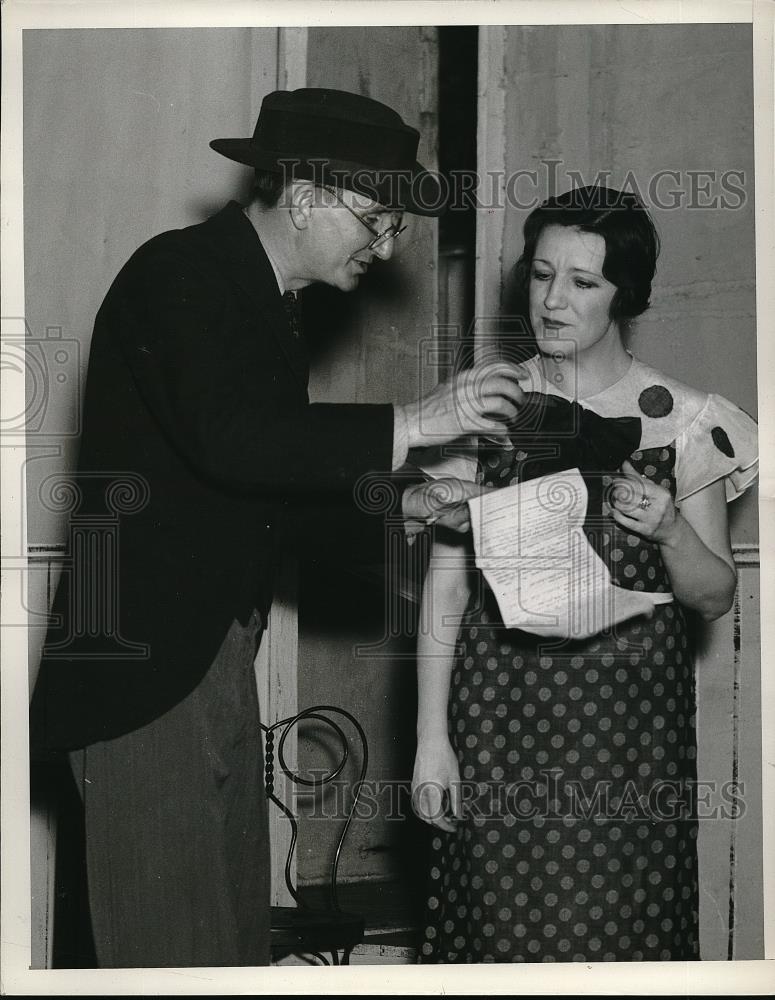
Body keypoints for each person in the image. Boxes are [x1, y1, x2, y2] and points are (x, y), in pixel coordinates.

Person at [29, 87, 527, 968]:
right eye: (375, 216)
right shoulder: (177, 273)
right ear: (303, 197)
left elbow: (263, 490)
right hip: (144, 671)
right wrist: (416, 420)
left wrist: (402, 503)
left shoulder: (267, 306)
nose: (388, 242)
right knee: (167, 957)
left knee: (222, 949)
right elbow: (233, 440)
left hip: (208, 659)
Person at [411, 186, 758, 963]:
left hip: (627, 742)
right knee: (497, 940)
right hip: (497, 721)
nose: (552, 301)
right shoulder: (484, 406)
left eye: (582, 281)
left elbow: (711, 599)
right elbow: (445, 584)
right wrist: (432, 740)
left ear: (623, 295)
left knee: (616, 940)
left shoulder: (689, 419)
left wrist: (669, 527)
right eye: (540, 276)